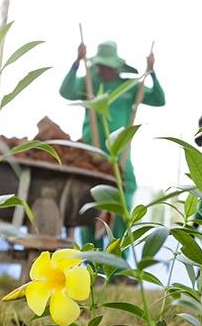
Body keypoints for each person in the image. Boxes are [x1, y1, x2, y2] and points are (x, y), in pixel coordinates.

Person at [59, 40, 165, 246]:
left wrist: (151, 72)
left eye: (109, 66)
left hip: (120, 158)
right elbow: (65, 91)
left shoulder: (128, 86)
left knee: (122, 209)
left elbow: (159, 99)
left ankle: (119, 266)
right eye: (101, 66)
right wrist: (77, 62)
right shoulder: (88, 82)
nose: (104, 71)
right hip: (91, 158)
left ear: (117, 67)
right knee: (90, 209)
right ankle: (92, 264)